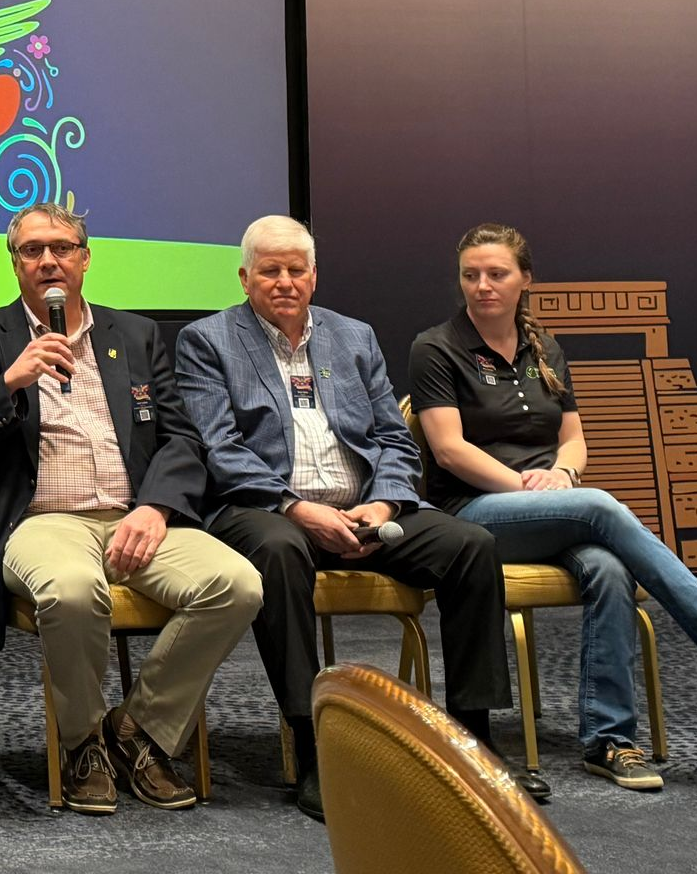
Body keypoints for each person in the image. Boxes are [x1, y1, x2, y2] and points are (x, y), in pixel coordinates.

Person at [174, 215, 525, 821]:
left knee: (470, 544)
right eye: (270, 270)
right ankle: (313, 748)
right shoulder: (208, 340)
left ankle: (475, 736)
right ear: (244, 277)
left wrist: (384, 503)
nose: (284, 281)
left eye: (295, 269)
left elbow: (395, 438)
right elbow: (220, 447)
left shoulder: (353, 336)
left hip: (364, 507)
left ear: (314, 275)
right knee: (280, 552)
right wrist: (300, 509)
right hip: (265, 509)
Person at [0, 202, 262, 815]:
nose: (48, 260)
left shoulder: (132, 335)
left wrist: (157, 507)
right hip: (40, 521)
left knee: (236, 584)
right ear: (15, 263)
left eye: (61, 247)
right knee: (75, 592)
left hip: (135, 515)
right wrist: (8, 384)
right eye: (32, 250)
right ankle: (81, 742)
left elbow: (182, 438)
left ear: (85, 256)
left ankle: (138, 731)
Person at [410, 222, 697, 791]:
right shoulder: (435, 346)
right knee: (598, 506)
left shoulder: (545, 347)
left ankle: (609, 741)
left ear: (525, 279)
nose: (483, 286)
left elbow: (574, 440)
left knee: (610, 568)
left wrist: (563, 472)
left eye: (497, 274)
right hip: (474, 512)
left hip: (554, 506)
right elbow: (449, 448)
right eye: (472, 275)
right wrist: (532, 488)